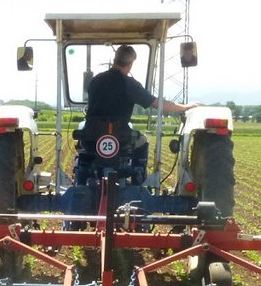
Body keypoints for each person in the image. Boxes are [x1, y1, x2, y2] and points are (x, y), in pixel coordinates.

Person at [78, 44, 197, 182]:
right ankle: (138, 178)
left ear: (115, 60)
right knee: (143, 141)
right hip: (121, 140)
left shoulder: (95, 81)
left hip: (91, 139)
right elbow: (160, 105)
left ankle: (82, 175)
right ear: (129, 64)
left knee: (83, 144)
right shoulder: (130, 84)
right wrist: (185, 107)